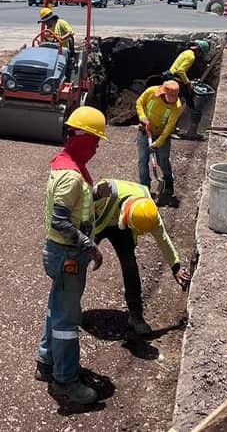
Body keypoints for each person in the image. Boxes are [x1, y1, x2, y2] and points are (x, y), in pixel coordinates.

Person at [35, 106, 108, 406]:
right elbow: (60, 221)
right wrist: (90, 246)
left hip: (60, 253)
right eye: (95, 140)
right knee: (66, 320)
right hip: (67, 255)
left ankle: (46, 362)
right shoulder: (71, 176)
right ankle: (65, 382)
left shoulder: (68, 165)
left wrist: (96, 194)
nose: (97, 147)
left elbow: (75, 205)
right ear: (82, 138)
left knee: (57, 308)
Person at [93, 179, 192, 335]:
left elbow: (163, 238)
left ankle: (136, 316)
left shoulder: (149, 212)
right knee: (79, 259)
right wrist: (88, 245)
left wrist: (176, 267)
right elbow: (80, 211)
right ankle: (69, 306)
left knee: (130, 265)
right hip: (96, 222)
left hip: (121, 227)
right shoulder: (102, 193)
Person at [136, 80, 182, 205]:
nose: (172, 100)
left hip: (162, 135)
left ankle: (169, 183)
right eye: (170, 97)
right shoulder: (151, 92)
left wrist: (157, 143)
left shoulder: (177, 106)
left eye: (175, 97)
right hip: (145, 132)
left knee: (163, 160)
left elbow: (169, 128)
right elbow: (139, 102)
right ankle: (144, 187)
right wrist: (142, 116)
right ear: (164, 93)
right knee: (142, 160)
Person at [164, 40, 210, 140]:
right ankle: (172, 131)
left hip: (171, 78)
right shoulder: (191, 57)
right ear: (199, 51)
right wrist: (188, 83)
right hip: (176, 81)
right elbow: (180, 71)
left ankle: (172, 128)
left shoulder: (186, 52)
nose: (201, 56)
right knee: (177, 106)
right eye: (202, 54)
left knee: (175, 105)